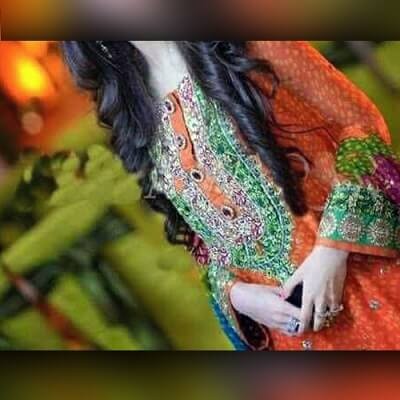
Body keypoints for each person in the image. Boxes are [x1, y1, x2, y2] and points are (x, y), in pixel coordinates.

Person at [62, 41, 400, 350]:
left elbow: (361, 123)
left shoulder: (245, 43)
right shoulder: (132, 114)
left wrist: (331, 252)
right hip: (289, 335)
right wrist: (237, 296)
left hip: (366, 283)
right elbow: (205, 240)